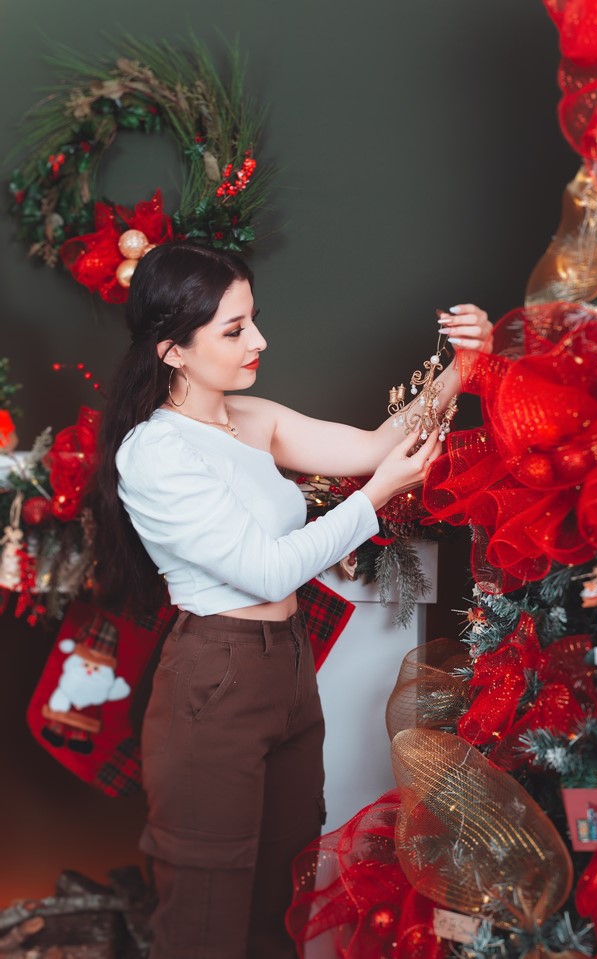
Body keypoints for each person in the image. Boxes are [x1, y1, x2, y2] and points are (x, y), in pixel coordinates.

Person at [91, 241, 492, 959]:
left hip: (287, 670)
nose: (260, 340)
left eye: (255, 319)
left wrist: (464, 368)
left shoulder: (249, 418)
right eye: (234, 329)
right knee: (206, 907)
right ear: (173, 351)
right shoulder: (155, 452)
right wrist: (374, 501)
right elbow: (265, 570)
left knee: (282, 891)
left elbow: (376, 444)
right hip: (215, 676)